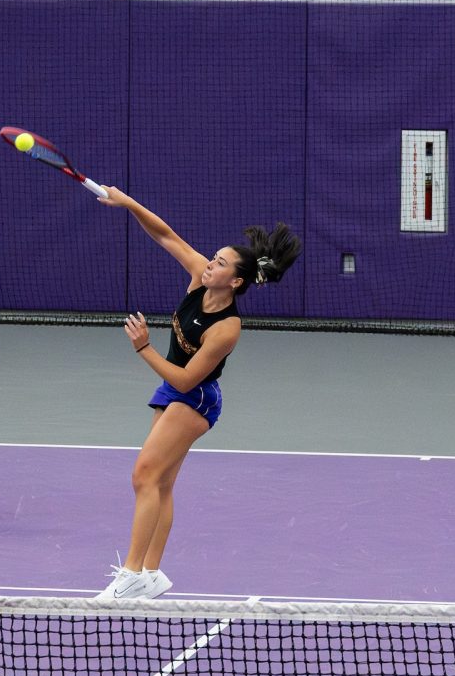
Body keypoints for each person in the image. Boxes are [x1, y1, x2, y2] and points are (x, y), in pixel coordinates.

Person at [94, 187, 301, 599]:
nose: (211, 263)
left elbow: (188, 380)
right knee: (162, 483)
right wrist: (131, 203)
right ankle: (151, 573)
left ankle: (132, 572)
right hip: (172, 387)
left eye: (220, 262)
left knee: (144, 476)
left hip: (196, 397)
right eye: (213, 257)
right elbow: (166, 235)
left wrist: (144, 347)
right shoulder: (199, 278)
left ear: (235, 280)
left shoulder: (227, 328)